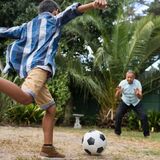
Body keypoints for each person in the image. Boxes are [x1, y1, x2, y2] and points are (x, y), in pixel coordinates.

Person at [0, 0, 107, 159]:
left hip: (31, 70)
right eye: (59, 12)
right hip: (40, 68)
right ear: (55, 11)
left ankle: (47, 148)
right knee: (26, 98)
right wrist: (93, 5)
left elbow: (5, 31)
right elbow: (72, 11)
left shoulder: (27, 26)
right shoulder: (54, 20)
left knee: (50, 109)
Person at [114, 70, 150, 137]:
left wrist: (137, 94)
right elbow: (116, 97)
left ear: (134, 77)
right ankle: (117, 133)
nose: (129, 79)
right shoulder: (122, 83)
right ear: (126, 77)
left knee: (144, 116)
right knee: (118, 114)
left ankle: (146, 134)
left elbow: (140, 97)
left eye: (131, 77)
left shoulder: (137, 83)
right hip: (125, 101)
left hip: (135, 102)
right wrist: (118, 92)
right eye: (128, 77)